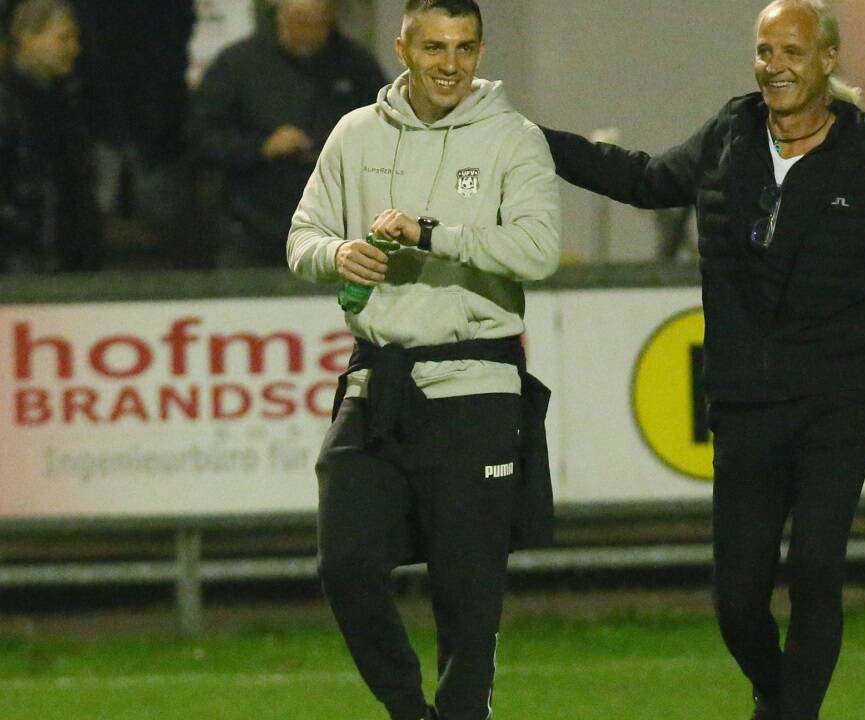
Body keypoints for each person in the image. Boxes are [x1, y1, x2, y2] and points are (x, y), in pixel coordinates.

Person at [541, 2, 865, 719]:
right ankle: (779, 699)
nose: (773, 66)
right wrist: (531, 140)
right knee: (737, 601)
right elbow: (644, 179)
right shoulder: (728, 134)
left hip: (837, 399)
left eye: (791, 52)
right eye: (764, 50)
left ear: (828, 61)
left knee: (815, 569)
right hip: (744, 401)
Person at [286, 2, 561, 719]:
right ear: (404, 47)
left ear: (479, 50)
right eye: (434, 47)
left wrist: (432, 234)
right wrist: (337, 253)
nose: (451, 64)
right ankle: (410, 710)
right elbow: (301, 237)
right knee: (344, 563)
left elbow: (537, 249)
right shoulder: (355, 135)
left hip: (478, 384)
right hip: (381, 381)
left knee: (468, 606)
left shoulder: (513, 139)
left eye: (465, 47)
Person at [192, 0, 388, 267]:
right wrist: (262, 146)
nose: (306, 31)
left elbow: (386, 133)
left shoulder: (357, 66)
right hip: (253, 227)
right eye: (298, 20)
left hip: (335, 230)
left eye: (317, 22)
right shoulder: (238, 64)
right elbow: (201, 137)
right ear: (280, 14)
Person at [0, 0, 103, 274]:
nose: (74, 49)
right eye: (63, 38)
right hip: (15, 264)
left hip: (63, 259)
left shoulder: (68, 101)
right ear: (28, 38)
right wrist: (29, 230)